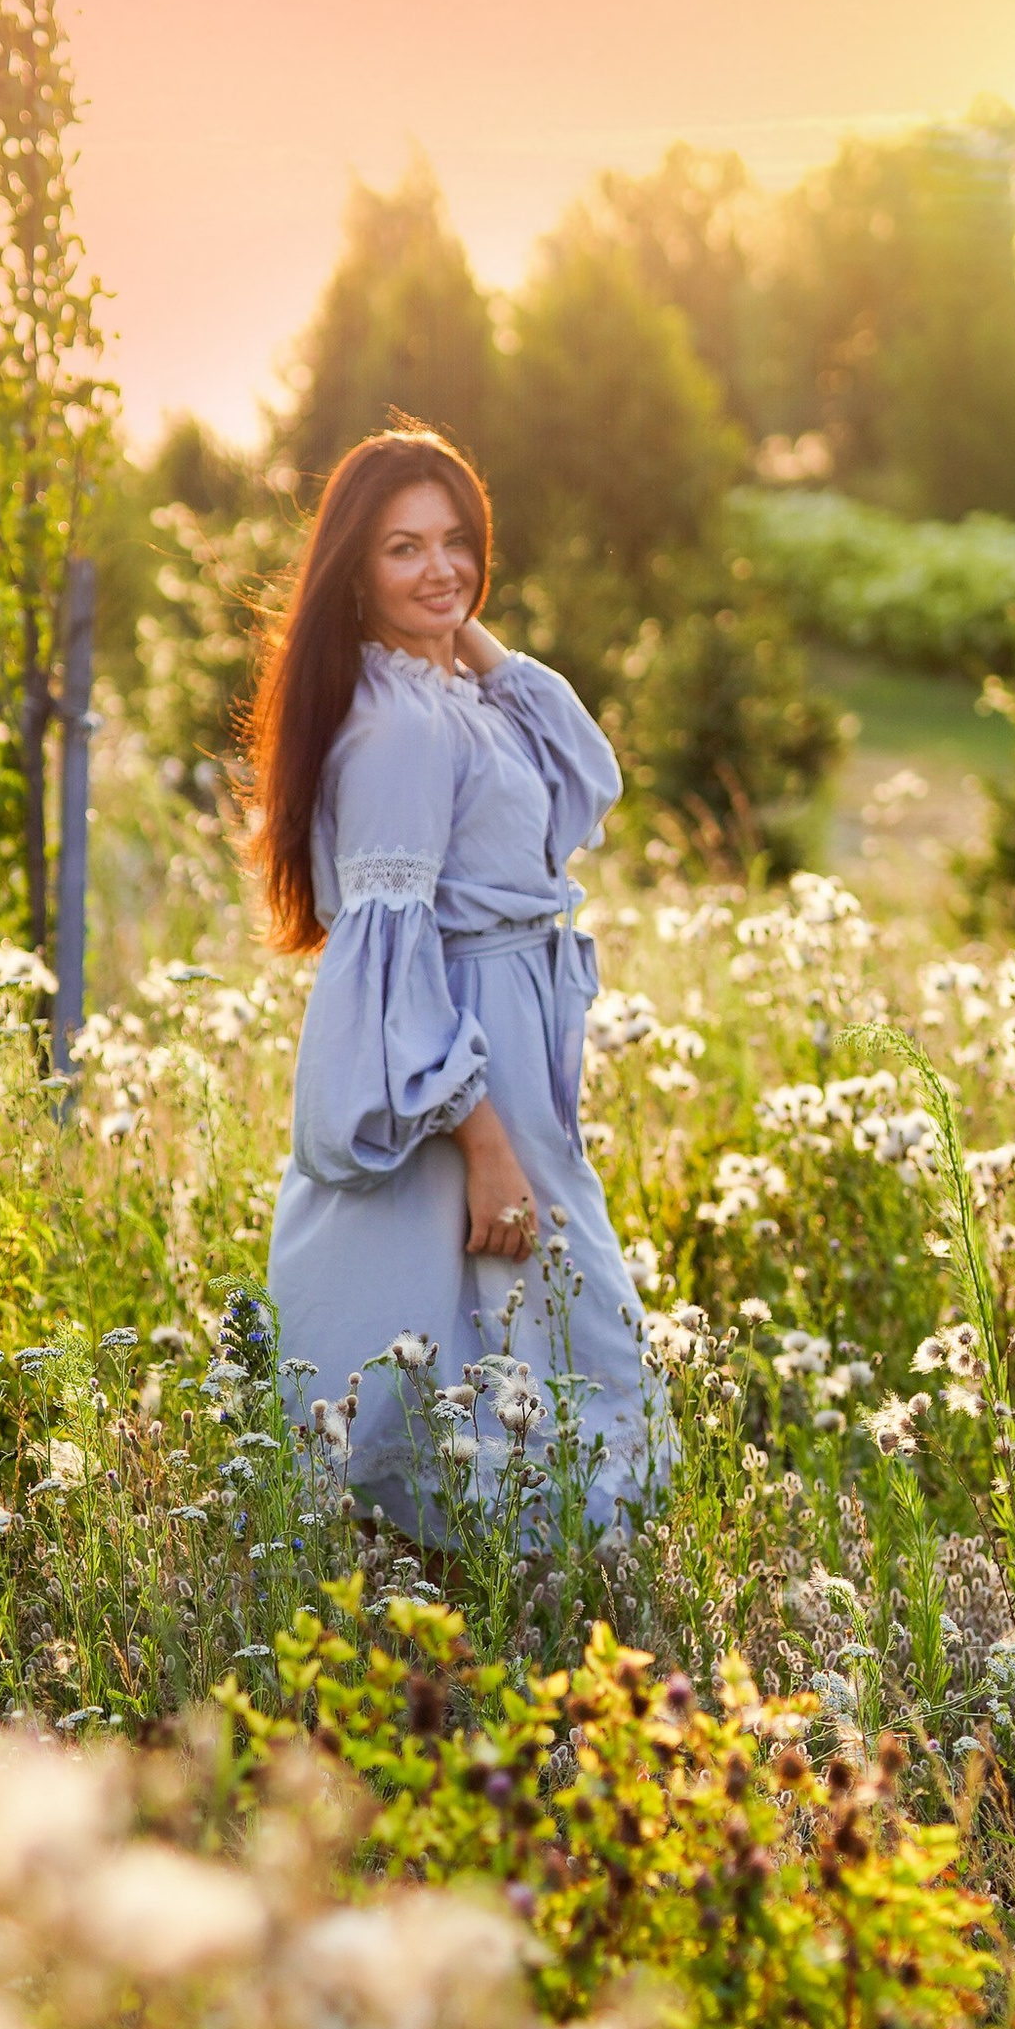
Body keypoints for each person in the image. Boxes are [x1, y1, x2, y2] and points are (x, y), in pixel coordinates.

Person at [250, 425, 667, 1536]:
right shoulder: (395, 730)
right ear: (351, 570)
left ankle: (518, 1569)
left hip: (517, 1031)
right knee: (524, 1310)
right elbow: (391, 967)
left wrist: (448, 619)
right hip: (468, 1044)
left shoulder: (451, 695)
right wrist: (483, 1146)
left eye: (456, 543)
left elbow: (585, 773)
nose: (440, 568)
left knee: (525, 1315)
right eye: (401, 549)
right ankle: (523, 1574)